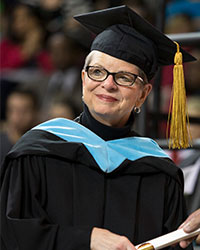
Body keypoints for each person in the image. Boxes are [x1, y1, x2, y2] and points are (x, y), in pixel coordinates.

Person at [0, 5, 196, 250]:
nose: (108, 84)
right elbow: (11, 236)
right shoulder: (36, 152)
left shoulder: (159, 172)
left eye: (124, 77)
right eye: (97, 72)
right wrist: (88, 239)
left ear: (143, 95)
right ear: (83, 80)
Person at [0, 87, 39, 164]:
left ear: (35, 112)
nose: (18, 116)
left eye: (24, 111)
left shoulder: (42, 147)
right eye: (13, 110)